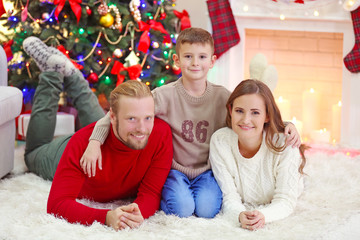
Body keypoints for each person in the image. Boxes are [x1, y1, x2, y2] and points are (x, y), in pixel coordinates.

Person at [80, 28, 301, 219]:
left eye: (202, 57)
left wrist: (286, 125)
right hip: (175, 170)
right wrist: (94, 141)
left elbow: (253, 110)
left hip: (207, 171)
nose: (195, 63)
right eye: (188, 57)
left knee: (207, 209)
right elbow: (120, 113)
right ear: (176, 60)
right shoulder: (164, 95)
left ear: (212, 61)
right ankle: (166, 197)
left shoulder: (223, 97)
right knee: (182, 209)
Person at [22, 36, 173, 230]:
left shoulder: (160, 134)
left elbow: (152, 192)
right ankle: (52, 73)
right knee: (33, 153)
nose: (142, 128)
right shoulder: (80, 144)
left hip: (109, 136)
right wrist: (107, 217)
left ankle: (71, 74)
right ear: (111, 117)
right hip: (63, 152)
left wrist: (136, 213)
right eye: (132, 119)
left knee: (124, 122)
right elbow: (57, 204)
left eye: (148, 117)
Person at [209, 79, 306, 231]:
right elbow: (229, 196)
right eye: (239, 111)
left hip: (289, 183)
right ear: (230, 110)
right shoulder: (220, 141)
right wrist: (239, 214)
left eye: (255, 112)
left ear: (267, 116)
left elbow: (285, 200)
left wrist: (263, 215)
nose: (246, 120)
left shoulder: (285, 144)